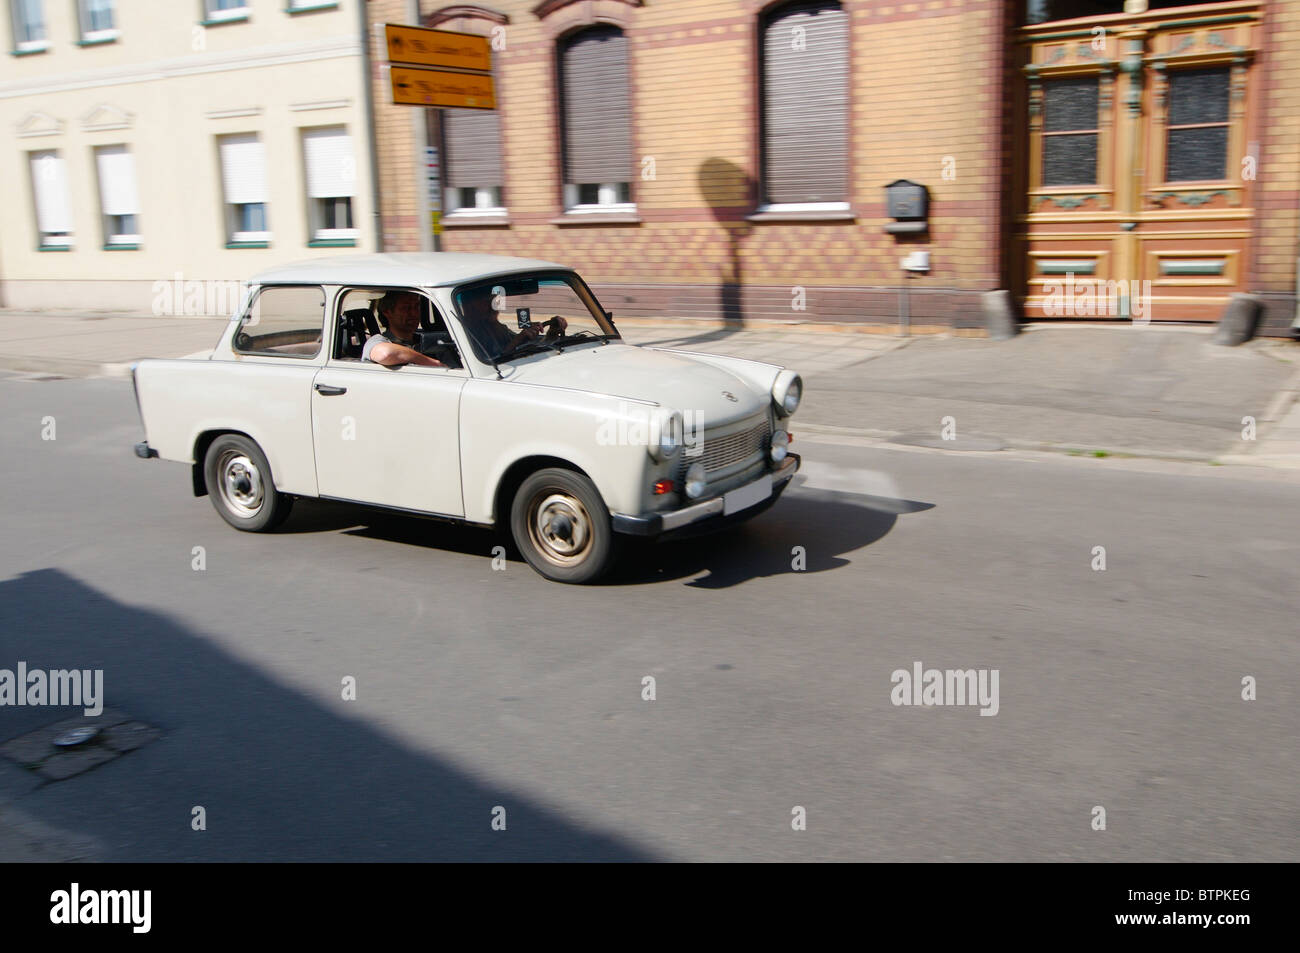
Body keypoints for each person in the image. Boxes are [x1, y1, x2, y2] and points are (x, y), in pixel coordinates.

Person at [458, 287, 566, 361]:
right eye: (487, 302)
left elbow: (529, 348)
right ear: (470, 306)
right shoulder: (462, 333)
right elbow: (493, 363)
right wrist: (518, 339)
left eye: (494, 301)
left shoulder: (500, 329)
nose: (494, 306)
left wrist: (551, 334)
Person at [361, 291, 444, 367]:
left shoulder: (426, 341)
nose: (414, 313)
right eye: (406, 308)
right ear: (387, 312)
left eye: (416, 306)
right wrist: (434, 364)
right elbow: (385, 354)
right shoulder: (377, 341)